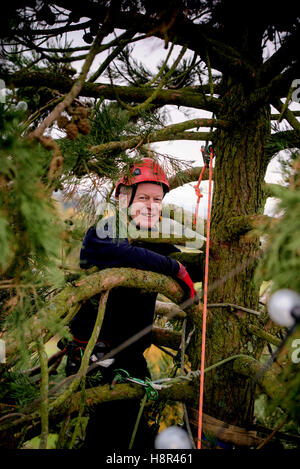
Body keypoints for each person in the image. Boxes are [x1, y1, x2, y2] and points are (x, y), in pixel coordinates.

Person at [64, 158, 197, 449]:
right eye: (144, 198)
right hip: (98, 359)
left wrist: (210, 256)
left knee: (133, 434)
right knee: (114, 435)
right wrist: (173, 270)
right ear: (125, 198)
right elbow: (125, 254)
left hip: (131, 359)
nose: (151, 205)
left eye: (157, 199)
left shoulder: (155, 239)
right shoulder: (104, 231)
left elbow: (185, 263)